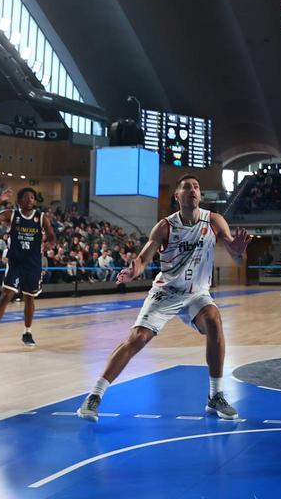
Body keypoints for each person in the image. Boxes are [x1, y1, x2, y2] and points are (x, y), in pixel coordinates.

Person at [77, 176, 248, 422]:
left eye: (196, 186)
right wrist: (133, 272)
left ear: (200, 195)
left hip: (196, 293)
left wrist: (239, 253)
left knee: (214, 321)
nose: (193, 190)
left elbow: (237, 256)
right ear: (177, 196)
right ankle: (94, 396)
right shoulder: (165, 226)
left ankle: (215, 395)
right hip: (166, 292)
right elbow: (143, 258)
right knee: (137, 339)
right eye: (187, 187)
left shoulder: (214, 220)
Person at [0, 188, 56, 350]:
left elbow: (51, 235)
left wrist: (50, 243)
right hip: (16, 262)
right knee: (6, 296)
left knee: (29, 298)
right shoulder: (12, 214)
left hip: (33, 264)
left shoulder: (41, 217)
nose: (30, 200)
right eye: (26, 197)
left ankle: (27, 332)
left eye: (32, 197)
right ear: (19, 200)